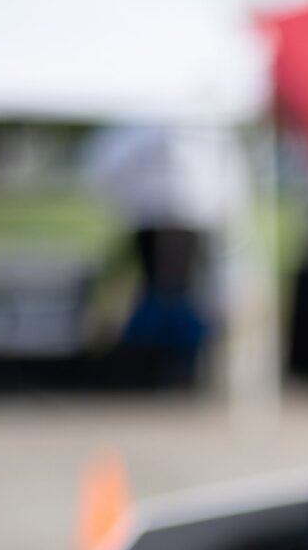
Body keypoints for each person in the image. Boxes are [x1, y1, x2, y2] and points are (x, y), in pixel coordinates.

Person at [81, 123, 246, 388]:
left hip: (180, 222)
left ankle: (174, 365)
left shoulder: (147, 127)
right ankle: (159, 365)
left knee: (175, 303)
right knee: (163, 302)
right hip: (165, 221)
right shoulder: (150, 125)